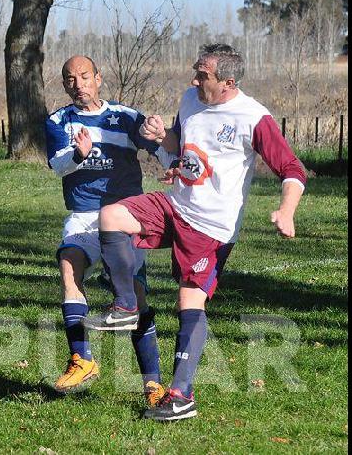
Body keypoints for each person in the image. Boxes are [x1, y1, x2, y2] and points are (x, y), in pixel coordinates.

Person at [87, 44, 307, 422]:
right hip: (177, 205)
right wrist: (162, 136)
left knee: (189, 303)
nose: (193, 79)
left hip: (211, 229)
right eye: (195, 71)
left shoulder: (253, 117)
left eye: (202, 75)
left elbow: (292, 169)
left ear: (228, 81)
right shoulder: (191, 98)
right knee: (111, 216)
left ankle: (180, 396)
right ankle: (125, 305)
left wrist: (287, 210)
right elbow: (181, 144)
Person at [44, 55, 173, 407]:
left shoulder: (127, 117)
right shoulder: (58, 121)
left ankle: (153, 385)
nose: (78, 84)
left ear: (98, 79)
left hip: (125, 217)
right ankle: (82, 359)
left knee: (135, 296)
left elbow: (160, 147)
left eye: (85, 76)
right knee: (69, 268)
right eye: (70, 79)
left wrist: (173, 164)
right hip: (84, 215)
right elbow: (57, 165)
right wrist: (78, 155)